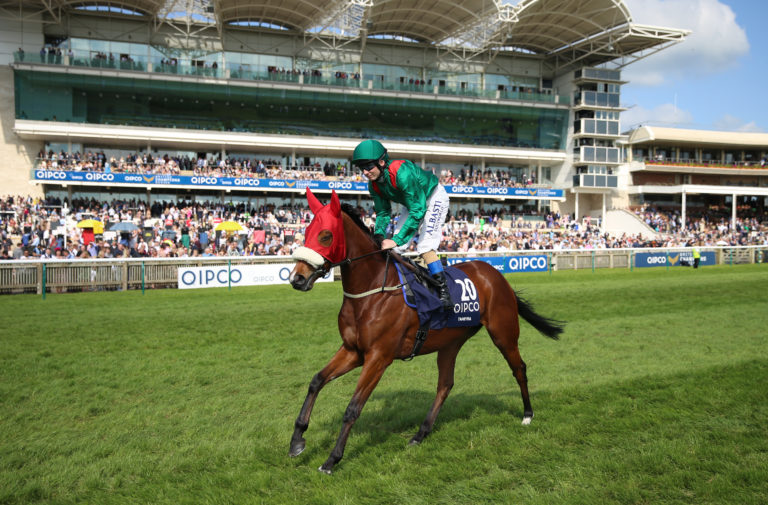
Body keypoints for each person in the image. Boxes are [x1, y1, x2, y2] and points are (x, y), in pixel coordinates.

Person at [352, 139, 452, 310]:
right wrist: (379, 235)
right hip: (413, 204)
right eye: (362, 168)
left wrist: (396, 239)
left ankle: (444, 290)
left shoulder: (401, 172)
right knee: (394, 248)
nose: (365, 172)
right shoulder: (373, 184)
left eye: (368, 167)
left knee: (425, 246)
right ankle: (406, 287)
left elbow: (419, 210)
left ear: (381, 162)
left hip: (433, 198)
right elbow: (383, 212)